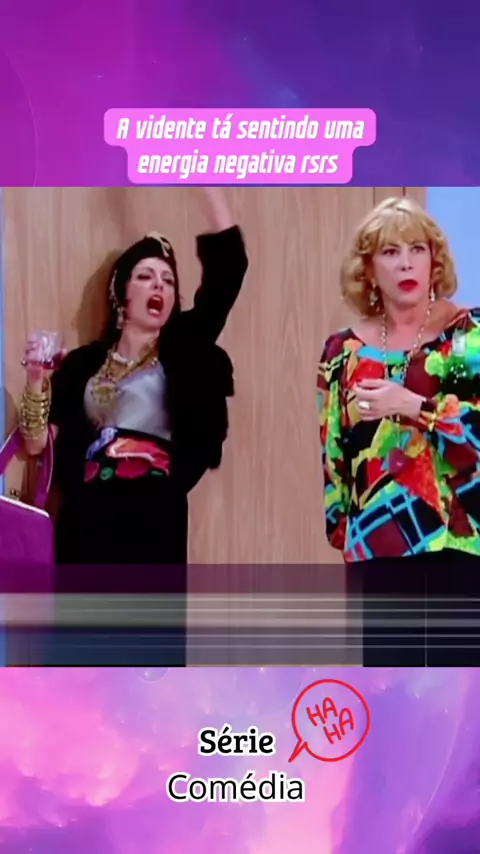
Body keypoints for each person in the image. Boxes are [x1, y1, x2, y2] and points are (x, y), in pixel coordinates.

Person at [18, 187, 249, 665]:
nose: (159, 286)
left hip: (154, 516)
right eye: (146, 276)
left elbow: (228, 272)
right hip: (86, 520)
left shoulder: (182, 349)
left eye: (168, 280)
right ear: (122, 291)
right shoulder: (83, 364)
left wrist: (205, 185)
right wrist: (37, 378)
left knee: (146, 664)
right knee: (79, 666)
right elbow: (38, 443)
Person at [317, 196, 480, 667]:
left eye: (416, 249)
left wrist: (411, 406)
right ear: (369, 270)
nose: (405, 263)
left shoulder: (466, 336)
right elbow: (333, 458)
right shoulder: (341, 352)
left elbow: (474, 438)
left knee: (457, 697)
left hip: (458, 544)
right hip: (376, 554)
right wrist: (349, 539)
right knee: (390, 695)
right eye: (390, 252)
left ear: (434, 261)